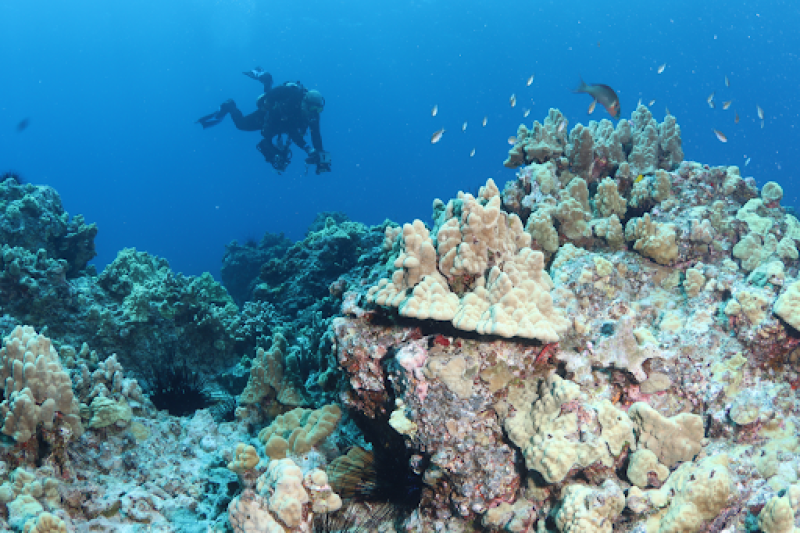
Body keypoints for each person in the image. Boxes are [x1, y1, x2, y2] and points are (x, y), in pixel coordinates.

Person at [197, 68, 331, 174]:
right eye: (312, 108)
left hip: (283, 124)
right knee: (241, 125)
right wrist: (267, 105)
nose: (314, 113)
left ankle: (267, 81)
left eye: (318, 110)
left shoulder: (312, 116)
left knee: (275, 146)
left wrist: (320, 158)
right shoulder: (294, 96)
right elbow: (277, 92)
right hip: (269, 115)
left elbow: (316, 135)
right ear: (305, 102)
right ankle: (230, 105)